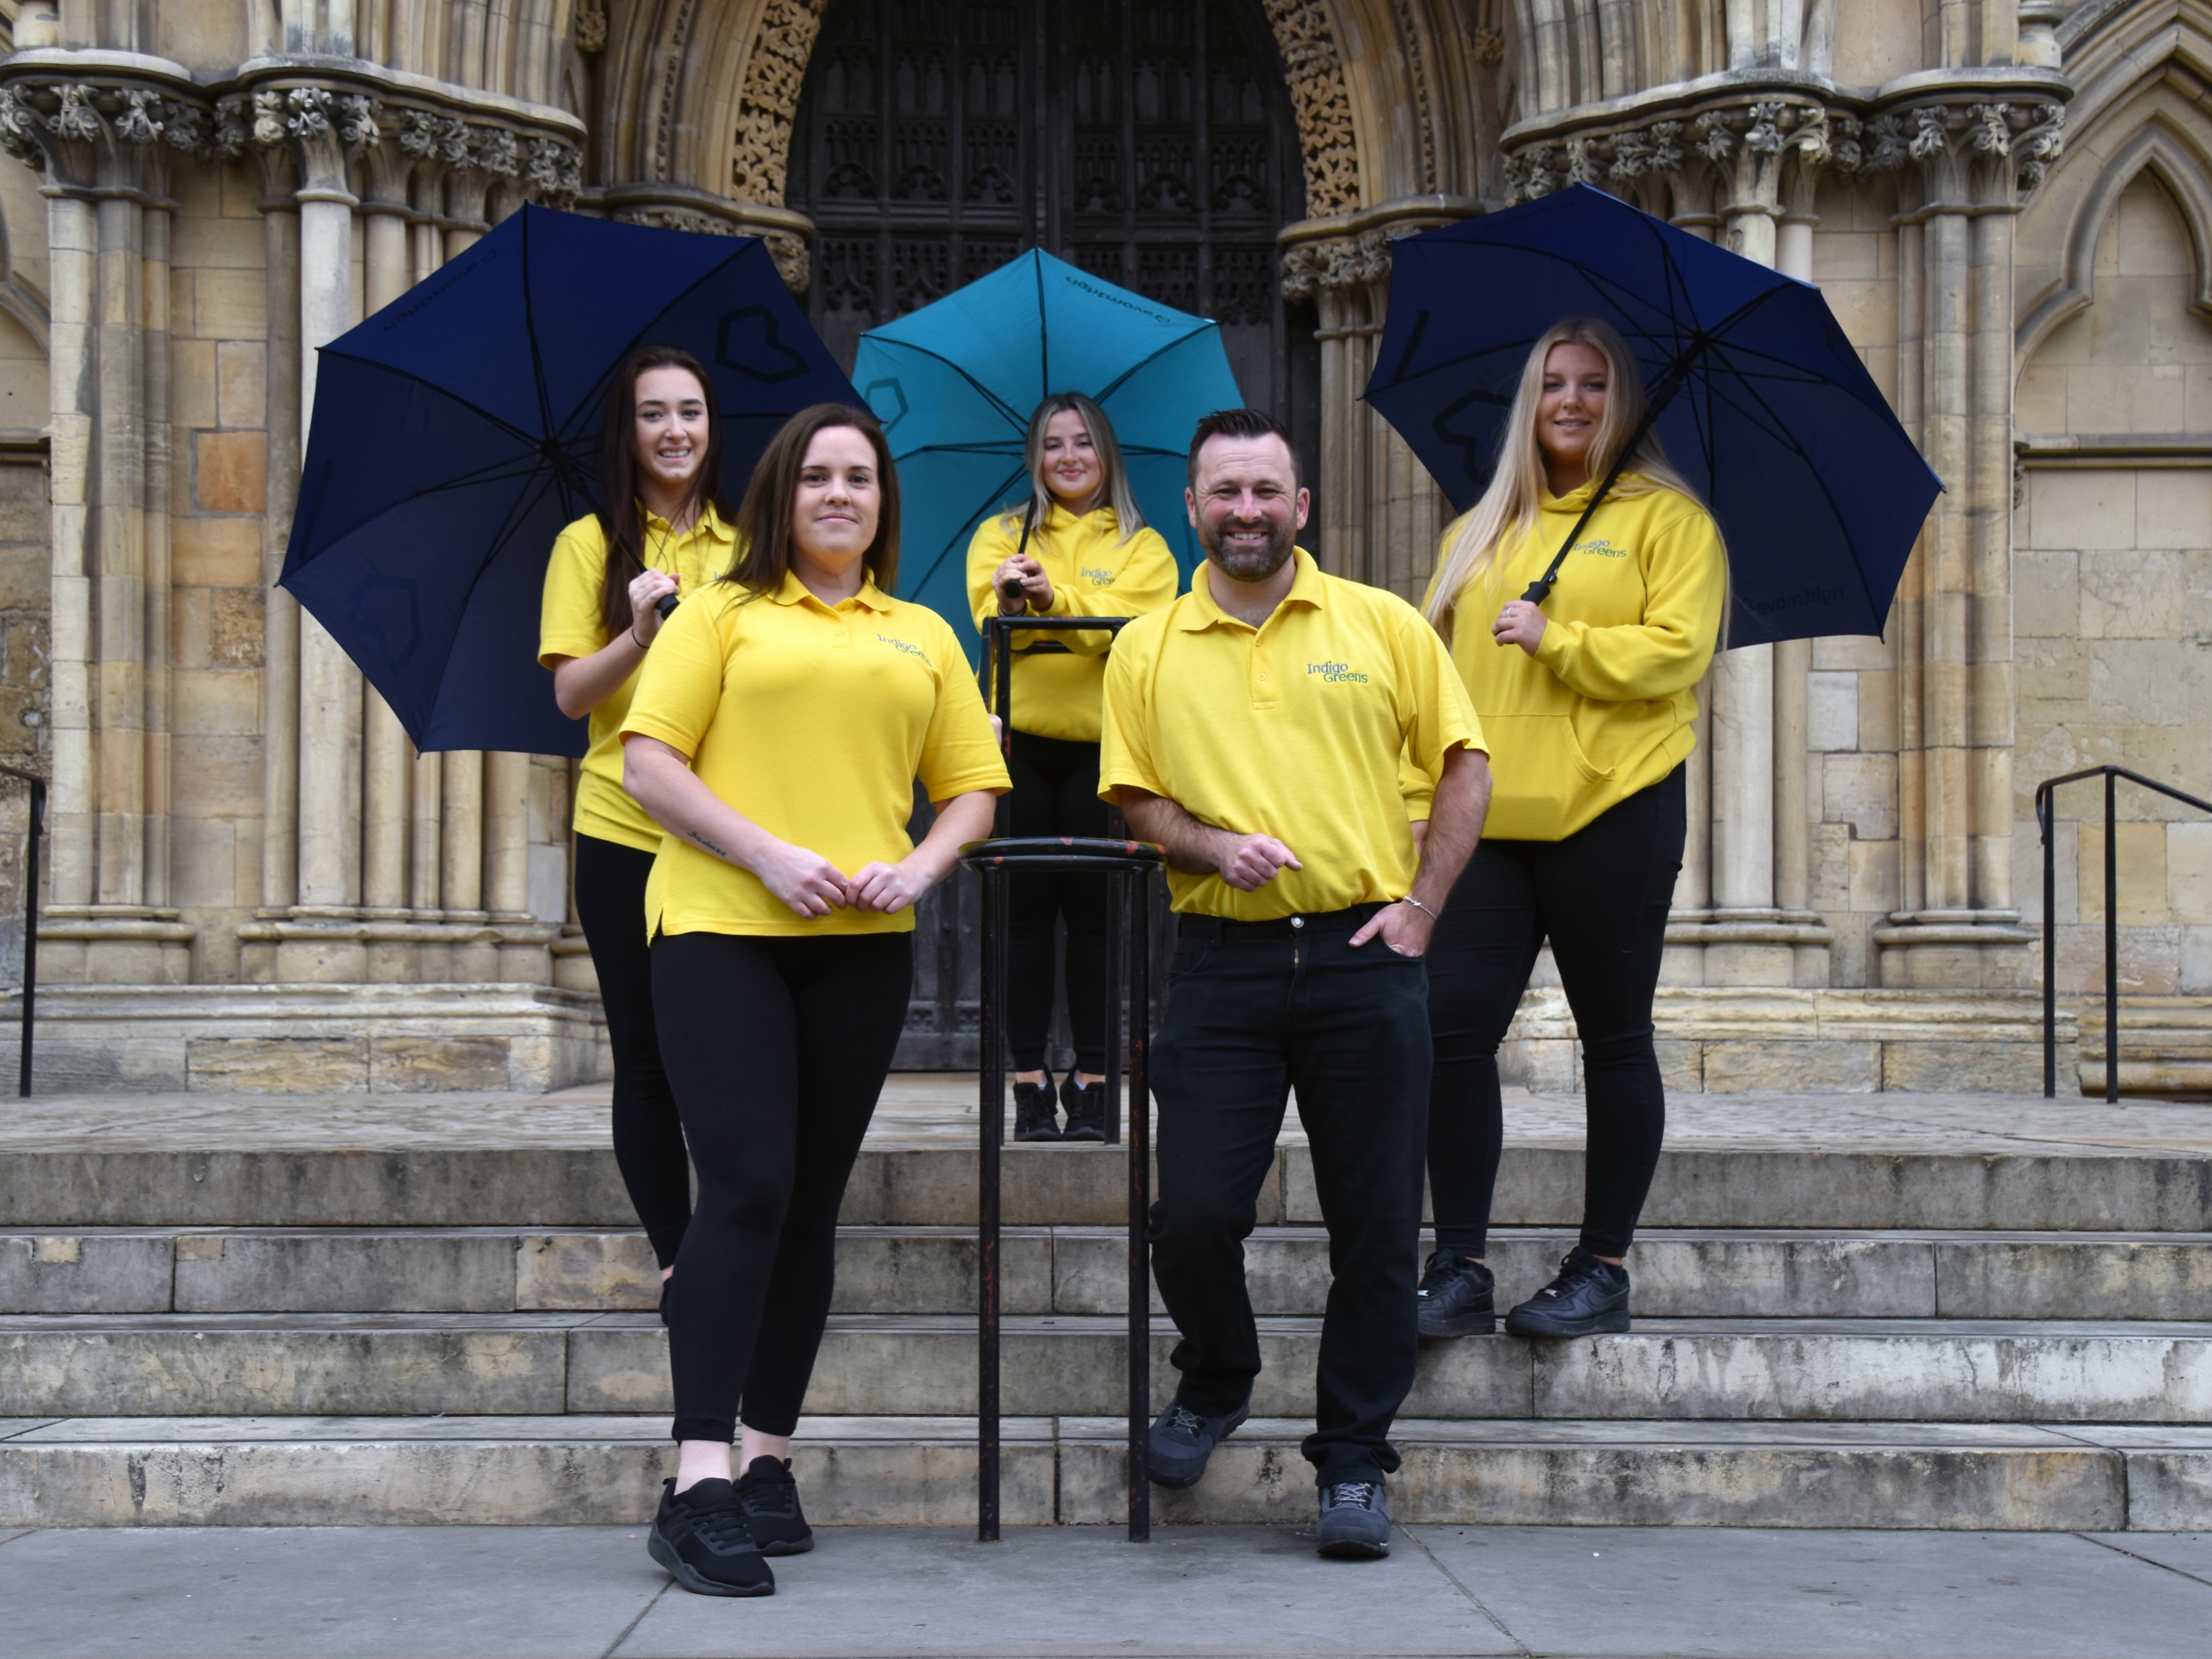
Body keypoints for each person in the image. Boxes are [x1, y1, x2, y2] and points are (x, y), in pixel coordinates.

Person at [620, 403, 1009, 1596]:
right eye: (817, 478)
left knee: (809, 1207)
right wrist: (770, 857)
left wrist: (921, 866)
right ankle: (695, 1484)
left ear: (882, 504)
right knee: (744, 1186)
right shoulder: (720, 615)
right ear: (781, 496)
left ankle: (767, 1458)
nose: (840, 494)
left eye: (861, 478)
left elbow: (969, 789)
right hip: (721, 929)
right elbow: (648, 763)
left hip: (862, 945)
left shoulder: (925, 634)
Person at [1099, 407, 1491, 1561]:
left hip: (1364, 962)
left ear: (1302, 505)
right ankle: (1216, 1373)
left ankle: (1355, 1463)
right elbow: (1133, 796)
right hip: (1220, 963)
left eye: (1267, 490)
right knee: (1195, 1215)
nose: (1248, 511)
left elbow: (1464, 761)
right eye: (1225, 492)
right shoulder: (1147, 646)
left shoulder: (1383, 625)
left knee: (1374, 1229)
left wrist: (1422, 906)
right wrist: (1215, 847)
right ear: (1193, 507)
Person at [1412, 317, 1725, 1344]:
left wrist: (1563, 639)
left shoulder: (1670, 524)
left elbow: (1677, 652)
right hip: (1492, 817)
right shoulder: (1478, 529)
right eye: (1554, 383)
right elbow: (1428, 680)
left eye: (1594, 385)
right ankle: (1457, 1263)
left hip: (1616, 805)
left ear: (1623, 400)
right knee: (1452, 1033)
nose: (1573, 402)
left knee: (1614, 1041)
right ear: (1530, 402)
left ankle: (1602, 1268)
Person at [540, 343, 736, 1313]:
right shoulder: (588, 543)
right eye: (655, 414)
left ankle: (738, 1233)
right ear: (629, 431)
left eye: (691, 412)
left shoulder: (751, 546)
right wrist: (639, 632)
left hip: (719, 829)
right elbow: (573, 693)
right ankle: (677, 1257)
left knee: (725, 1045)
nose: (675, 431)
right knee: (646, 1050)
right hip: (620, 825)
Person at [966, 393, 1177, 1141]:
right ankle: (1027, 1083)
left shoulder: (1144, 546)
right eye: (1052, 445)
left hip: (1100, 748)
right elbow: (996, 632)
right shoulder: (999, 536)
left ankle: (1093, 1080)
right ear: (1035, 457)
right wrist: (1051, 618)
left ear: (1105, 453)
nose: (1068, 457)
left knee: (1095, 923)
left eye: (1082, 443)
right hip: (1018, 745)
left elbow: (1137, 633)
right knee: (1020, 923)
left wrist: (1052, 605)